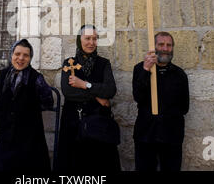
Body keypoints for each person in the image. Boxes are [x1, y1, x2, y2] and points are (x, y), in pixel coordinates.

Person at [56, 24, 121, 173]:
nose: (91, 42)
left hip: (98, 123)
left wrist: (85, 84)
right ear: (80, 40)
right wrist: (98, 97)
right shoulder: (69, 63)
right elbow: (69, 91)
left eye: (94, 39)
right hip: (73, 122)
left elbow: (110, 90)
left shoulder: (104, 64)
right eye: (87, 38)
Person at [0, 39, 54, 172]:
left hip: (30, 141)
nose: (21, 58)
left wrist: (28, 110)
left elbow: (48, 102)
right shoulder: (2, 76)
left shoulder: (37, 78)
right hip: (6, 139)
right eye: (17, 54)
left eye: (25, 55)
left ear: (30, 58)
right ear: (11, 55)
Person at [132, 31, 189, 171]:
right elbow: (137, 97)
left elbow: (184, 107)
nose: (165, 48)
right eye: (161, 44)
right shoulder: (140, 69)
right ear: (154, 46)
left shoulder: (179, 74)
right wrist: (146, 69)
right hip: (146, 133)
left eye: (169, 45)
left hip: (171, 135)